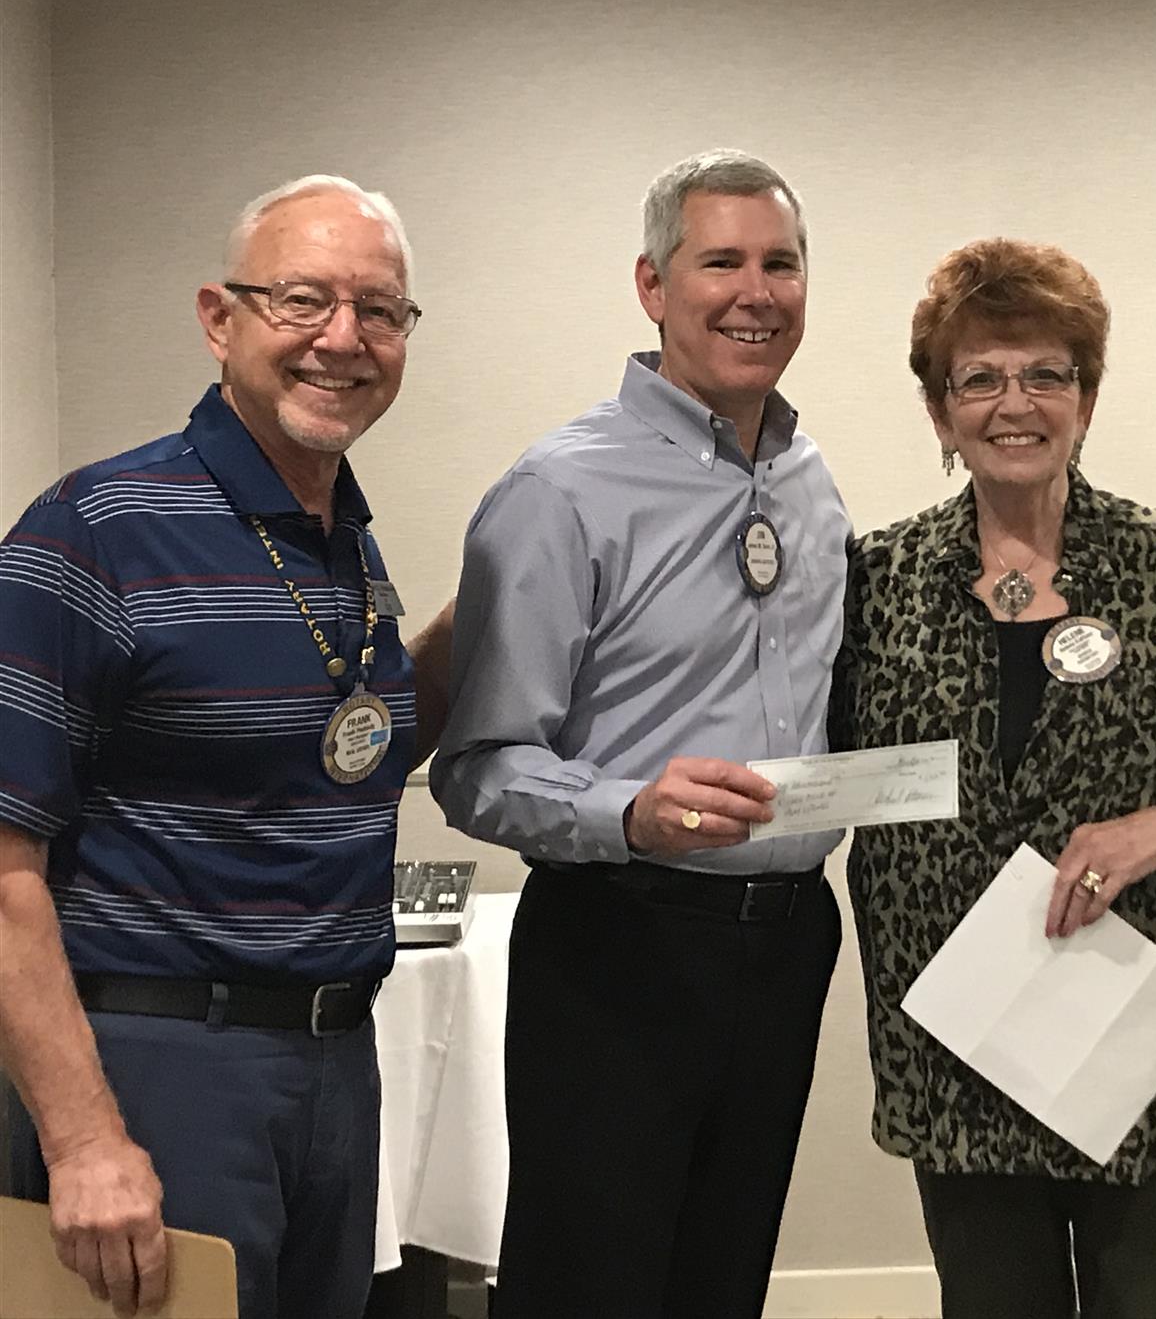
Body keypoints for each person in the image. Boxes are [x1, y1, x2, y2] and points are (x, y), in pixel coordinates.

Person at [830, 238, 1156, 1319]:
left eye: (1046, 373)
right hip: (958, 1058)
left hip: (1145, 1058)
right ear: (939, 410)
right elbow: (819, 767)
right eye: (980, 378)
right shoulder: (873, 586)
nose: (1015, 403)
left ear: (1086, 399)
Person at [429, 149, 849, 1318]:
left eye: (782, 264)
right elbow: (473, 769)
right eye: (721, 262)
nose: (756, 293)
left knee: (723, 1279)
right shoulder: (558, 492)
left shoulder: (811, 480)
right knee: (589, 1285)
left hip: (787, 942)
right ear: (652, 285)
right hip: (620, 941)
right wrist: (630, 812)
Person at [0, 176, 426, 1319]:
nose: (343, 337)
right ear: (218, 318)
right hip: (163, 1066)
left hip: (335, 1062)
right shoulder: (93, 530)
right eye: (303, 299)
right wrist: (83, 1140)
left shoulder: (344, 543)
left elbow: (334, 744)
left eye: (379, 310)